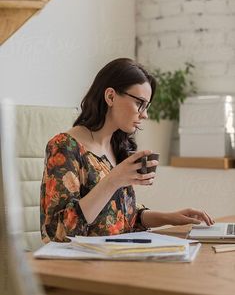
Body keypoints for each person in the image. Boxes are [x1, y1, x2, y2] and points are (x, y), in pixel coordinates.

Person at [40, 58, 214, 243]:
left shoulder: (116, 146)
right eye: (140, 103)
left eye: (146, 106)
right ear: (111, 97)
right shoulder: (64, 147)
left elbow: (119, 216)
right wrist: (113, 180)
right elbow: (58, 232)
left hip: (118, 257)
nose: (145, 114)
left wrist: (170, 218)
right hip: (81, 264)